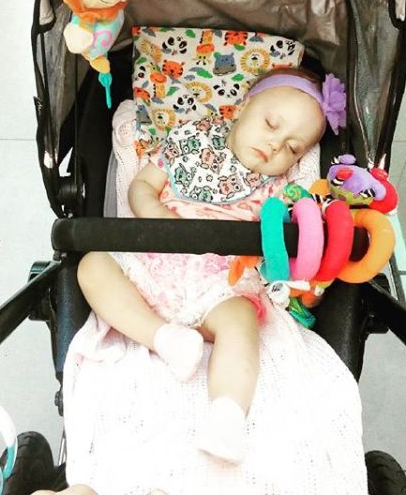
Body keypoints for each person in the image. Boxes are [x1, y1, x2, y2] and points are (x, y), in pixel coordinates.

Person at [77, 65, 345, 464]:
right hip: (154, 258)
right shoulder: (190, 138)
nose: (275, 146)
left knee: (242, 322)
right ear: (244, 107)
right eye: (271, 125)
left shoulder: (279, 189)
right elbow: (142, 185)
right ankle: (163, 337)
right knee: (92, 266)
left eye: (292, 148)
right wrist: (157, 218)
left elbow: (285, 246)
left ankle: (227, 415)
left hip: (219, 284)